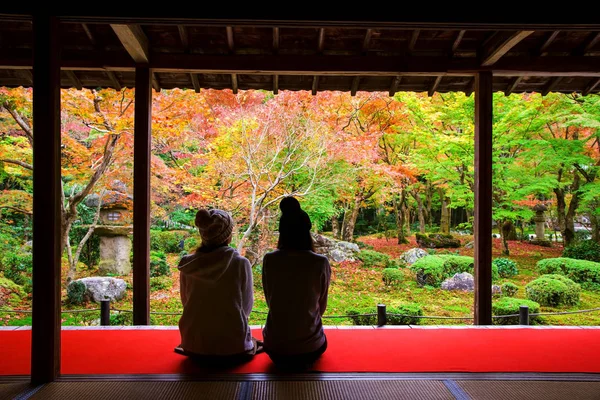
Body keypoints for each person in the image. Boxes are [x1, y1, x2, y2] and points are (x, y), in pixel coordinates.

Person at [175, 208, 262, 365]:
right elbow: (247, 307)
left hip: (193, 344)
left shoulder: (189, 265)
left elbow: (185, 301)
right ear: (227, 235)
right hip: (232, 348)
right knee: (257, 343)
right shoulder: (240, 263)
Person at [261, 196, 331, 370]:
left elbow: (270, 300)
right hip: (310, 347)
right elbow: (321, 307)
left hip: (275, 347)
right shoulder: (320, 262)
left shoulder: (270, 260)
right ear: (306, 232)